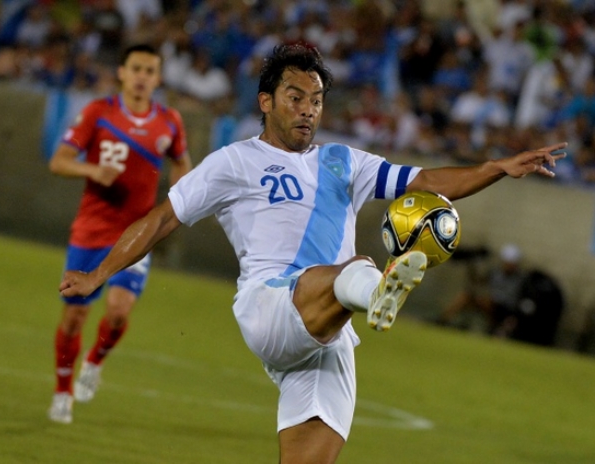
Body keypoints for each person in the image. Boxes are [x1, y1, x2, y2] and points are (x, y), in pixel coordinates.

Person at [58, 44, 566, 462]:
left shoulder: (345, 161)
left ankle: (371, 292)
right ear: (265, 101)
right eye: (295, 97)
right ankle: (377, 289)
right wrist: (96, 274)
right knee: (355, 269)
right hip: (270, 304)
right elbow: (160, 218)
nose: (308, 109)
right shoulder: (235, 161)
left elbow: (427, 182)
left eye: (317, 100)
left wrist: (498, 166)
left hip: (328, 343)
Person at [47, 43, 193, 424]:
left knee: (117, 311)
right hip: (91, 229)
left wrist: (182, 198)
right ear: (123, 73)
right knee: (75, 318)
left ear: (158, 78)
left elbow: (181, 162)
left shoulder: (170, 121)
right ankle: (63, 391)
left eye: (150, 70)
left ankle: (94, 362)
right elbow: (59, 161)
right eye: (137, 69)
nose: (143, 76)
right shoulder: (99, 112)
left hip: (135, 234)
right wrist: (92, 171)